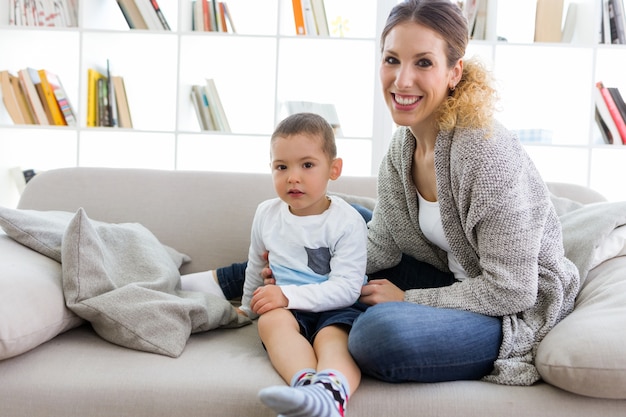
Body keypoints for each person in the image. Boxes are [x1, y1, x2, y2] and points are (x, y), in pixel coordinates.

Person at [190, 0, 580, 391]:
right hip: (444, 275)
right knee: (340, 219)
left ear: (454, 72)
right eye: (392, 60)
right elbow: (379, 245)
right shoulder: (402, 149)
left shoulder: (485, 153)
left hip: (505, 309)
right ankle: (207, 284)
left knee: (375, 335)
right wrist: (303, 278)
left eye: (423, 63)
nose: (402, 80)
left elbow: (512, 289)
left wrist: (407, 301)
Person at [242, 112, 367, 417]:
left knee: (333, 338)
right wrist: (247, 307)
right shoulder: (266, 214)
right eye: (281, 167)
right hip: (287, 309)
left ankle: (332, 393)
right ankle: (307, 390)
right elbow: (253, 266)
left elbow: (348, 289)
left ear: (333, 169)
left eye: (307, 165)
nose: (292, 177)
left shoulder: (347, 221)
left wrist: (286, 295)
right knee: (271, 322)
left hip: (336, 306)